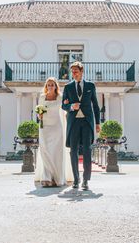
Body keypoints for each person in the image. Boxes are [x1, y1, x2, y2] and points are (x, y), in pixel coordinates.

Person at [61, 61, 100, 190]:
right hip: (74, 123)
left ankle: (86, 180)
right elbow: (63, 105)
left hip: (87, 122)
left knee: (88, 151)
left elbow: (95, 105)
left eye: (76, 72)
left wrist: (98, 123)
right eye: (72, 72)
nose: (74, 74)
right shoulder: (68, 87)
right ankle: (76, 179)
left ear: (82, 71)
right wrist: (71, 106)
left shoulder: (90, 86)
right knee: (73, 151)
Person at [35, 77, 72, 187]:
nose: (50, 86)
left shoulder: (60, 97)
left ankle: (57, 178)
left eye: (52, 84)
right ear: (46, 86)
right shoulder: (42, 97)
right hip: (44, 127)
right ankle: (47, 177)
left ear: (56, 86)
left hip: (57, 128)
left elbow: (66, 109)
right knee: (45, 151)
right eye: (48, 85)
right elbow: (39, 112)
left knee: (56, 153)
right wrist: (39, 115)